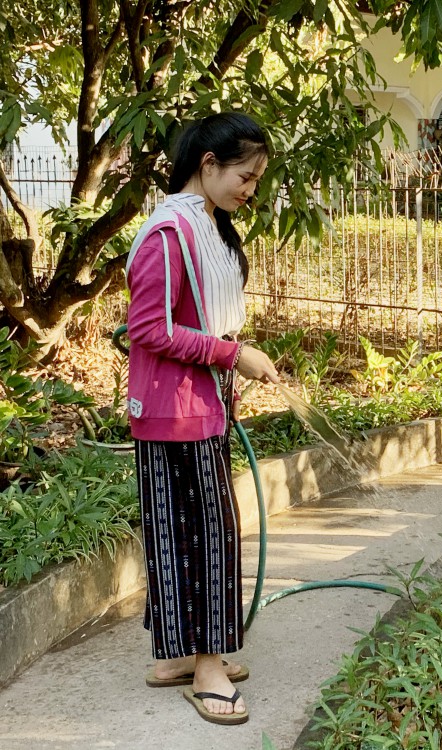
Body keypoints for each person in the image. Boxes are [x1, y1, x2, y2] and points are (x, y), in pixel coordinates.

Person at [125, 112, 280, 725]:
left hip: (200, 407)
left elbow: (201, 321)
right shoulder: (168, 235)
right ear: (208, 163)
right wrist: (231, 354)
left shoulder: (210, 229)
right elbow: (150, 331)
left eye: (257, 180)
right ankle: (208, 664)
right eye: (245, 175)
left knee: (182, 531)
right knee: (205, 536)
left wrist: (232, 359)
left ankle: (175, 658)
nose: (250, 190)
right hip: (174, 412)